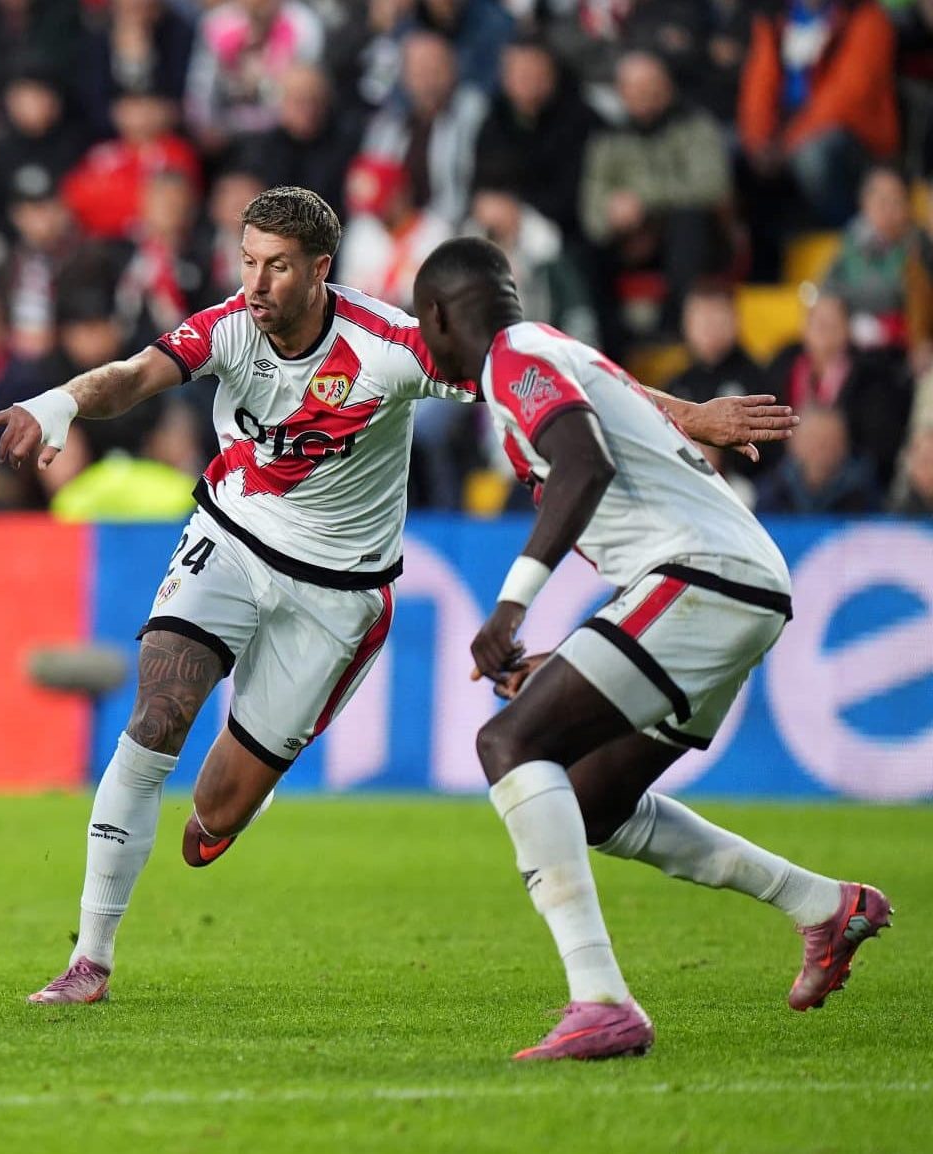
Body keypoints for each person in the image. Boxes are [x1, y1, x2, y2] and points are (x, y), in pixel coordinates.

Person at [0, 187, 788, 1007]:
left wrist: (689, 414)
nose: (257, 285)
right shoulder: (229, 325)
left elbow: (548, 377)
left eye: (278, 268)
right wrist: (58, 403)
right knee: (157, 714)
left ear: (320, 270)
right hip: (230, 537)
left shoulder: (391, 348)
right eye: (249, 262)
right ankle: (90, 959)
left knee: (216, 813)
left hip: (338, 594)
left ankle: (226, 810)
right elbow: (132, 377)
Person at [410, 235, 887, 1061]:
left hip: (703, 577)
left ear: (439, 316)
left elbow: (582, 465)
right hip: (729, 583)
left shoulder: (514, 360)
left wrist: (510, 608)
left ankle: (600, 1000)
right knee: (592, 801)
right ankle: (822, 905)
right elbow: (623, 411)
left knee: (510, 742)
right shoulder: (551, 349)